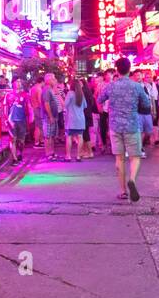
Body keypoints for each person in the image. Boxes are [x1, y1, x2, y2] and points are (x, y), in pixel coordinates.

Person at [98, 57, 149, 201]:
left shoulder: (110, 86)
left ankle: (123, 191)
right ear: (129, 69)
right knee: (135, 157)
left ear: (116, 69)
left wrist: (107, 109)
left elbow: (99, 99)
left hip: (115, 126)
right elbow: (146, 104)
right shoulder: (136, 86)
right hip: (132, 125)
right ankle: (132, 179)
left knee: (119, 159)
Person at [63, 79, 87, 162]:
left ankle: (68, 156)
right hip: (80, 119)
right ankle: (78, 156)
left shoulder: (70, 94)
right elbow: (85, 106)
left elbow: (65, 104)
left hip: (71, 119)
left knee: (69, 137)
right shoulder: (81, 94)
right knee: (80, 137)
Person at [6, 78, 28, 163]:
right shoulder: (9, 95)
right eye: (17, 82)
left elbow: (28, 106)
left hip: (22, 120)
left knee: (21, 141)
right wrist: (7, 120)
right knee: (13, 139)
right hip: (12, 121)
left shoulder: (25, 94)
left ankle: (20, 153)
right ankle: (14, 158)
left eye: (20, 81)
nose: (19, 83)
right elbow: (5, 108)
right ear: (13, 83)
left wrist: (31, 116)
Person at [41, 73, 61, 160]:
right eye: (53, 79)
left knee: (52, 136)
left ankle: (52, 153)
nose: (55, 80)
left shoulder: (50, 89)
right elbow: (46, 104)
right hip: (48, 117)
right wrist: (50, 116)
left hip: (53, 116)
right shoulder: (46, 90)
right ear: (48, 80)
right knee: (48, 136)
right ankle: (48, 153)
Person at [28, 77, 44, 148]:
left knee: (38, 126)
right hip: (38, 108)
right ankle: (37, 142)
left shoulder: (33, 88)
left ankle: (39, 141)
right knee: (39, 126)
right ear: (42, 82)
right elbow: (40, 101)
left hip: (34, 108)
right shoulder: (38, 89)